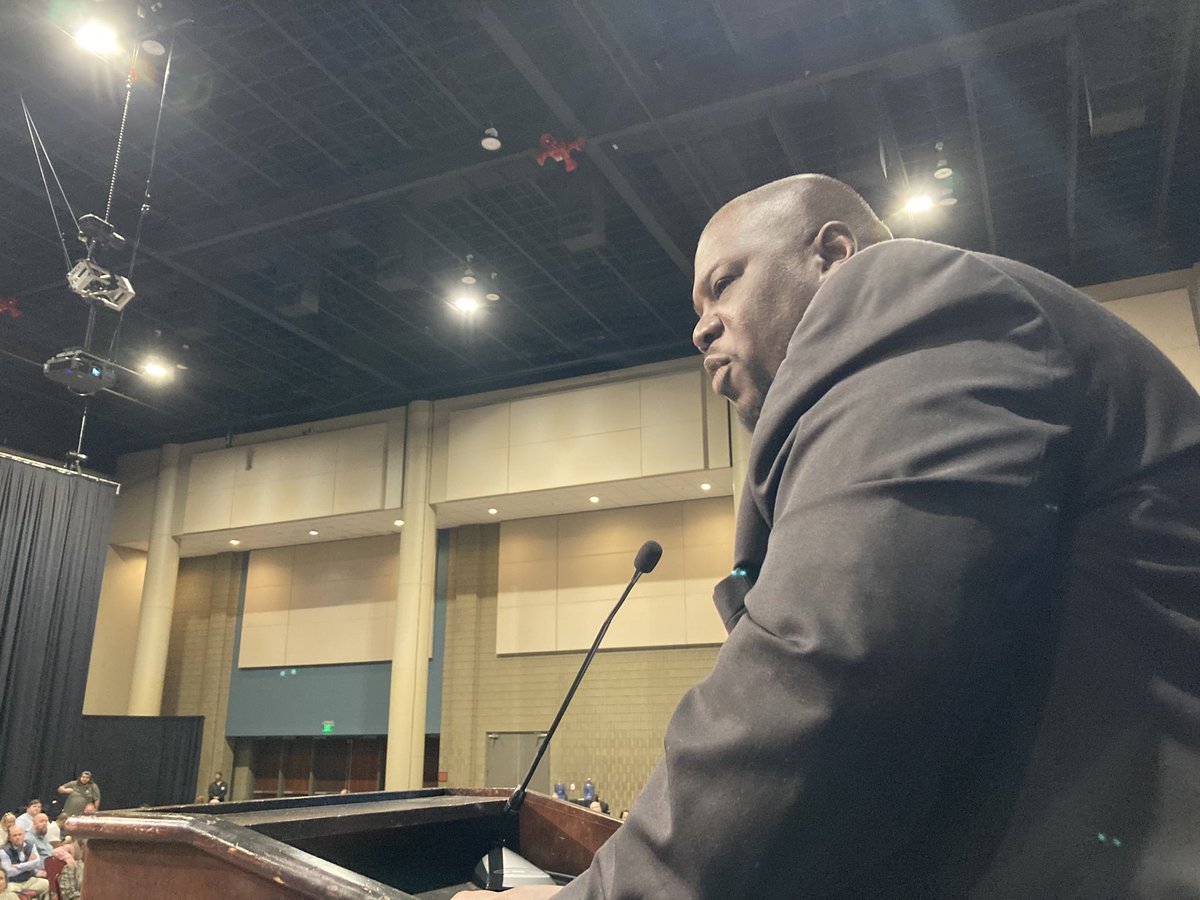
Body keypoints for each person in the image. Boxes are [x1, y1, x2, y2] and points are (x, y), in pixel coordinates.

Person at [458, 174, 1200, 899]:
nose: (700, 324)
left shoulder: (914, 293)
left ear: (834, 254)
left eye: (724, 283)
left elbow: (833, 672)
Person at [1, 825, 49, 897]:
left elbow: (37, 863)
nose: (18, 837)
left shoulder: (31, 846)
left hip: (29, 880)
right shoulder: (4, 851)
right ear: (10, 838)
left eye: (20, 834)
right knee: (8, 894)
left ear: (24, 835)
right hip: (13, 883)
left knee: (48, 884)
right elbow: (8, 872)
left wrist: (18, 866)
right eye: (14, 835)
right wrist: (29, 865)